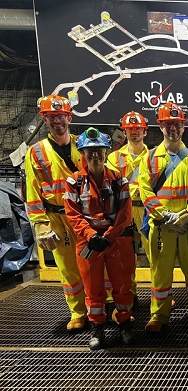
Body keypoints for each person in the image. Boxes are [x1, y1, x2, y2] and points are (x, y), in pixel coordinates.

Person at [138, 102, 188, 333]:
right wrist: (165, 215)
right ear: (160, 126)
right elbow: (145, 191)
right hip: (162, 226)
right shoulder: (149, 159)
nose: (173, 129)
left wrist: (187, 216)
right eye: (168, 124)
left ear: (183, 126)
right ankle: (159, 314)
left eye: (177, 125)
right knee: (160, 272)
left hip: (187, 226)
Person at [64, 127, 135, 349]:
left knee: (122, 285)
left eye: (99, 151)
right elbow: (72, 213)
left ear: (106, 152)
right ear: (83, 153)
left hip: (116, 240)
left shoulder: (119, 180)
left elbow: (125, 213)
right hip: (89, 243)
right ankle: (97, 328)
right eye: (90, 151)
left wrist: (108, 235)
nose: (95, 155)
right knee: (93, 288)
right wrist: (91, 235)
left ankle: (124, 324)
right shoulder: (73, 182)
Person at [25, 94, 87, 332]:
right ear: (45, 120)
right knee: (67, 266)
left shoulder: (83, 144)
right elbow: (33, 190)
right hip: (55, 216)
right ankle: (78, 312)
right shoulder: (36, 152)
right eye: (51, 117)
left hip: (82, 215)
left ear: (69, 117)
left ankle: (100, 307)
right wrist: (40, 225)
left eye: (61, 116)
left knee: (94, 263)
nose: (57, 121)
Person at [107, 111, 150, 308]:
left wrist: (131, 188)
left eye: (137, 129)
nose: (134, 132)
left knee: (155, 255)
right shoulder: (114, 158)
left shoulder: (154, 156)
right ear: (124, 131)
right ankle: (129, 295)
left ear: (145, 131)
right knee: (125, 257)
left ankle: (160, 296)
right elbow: (113, 184)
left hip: (148, 210)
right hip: (125, 211)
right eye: (130, 129)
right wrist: (138, 189)